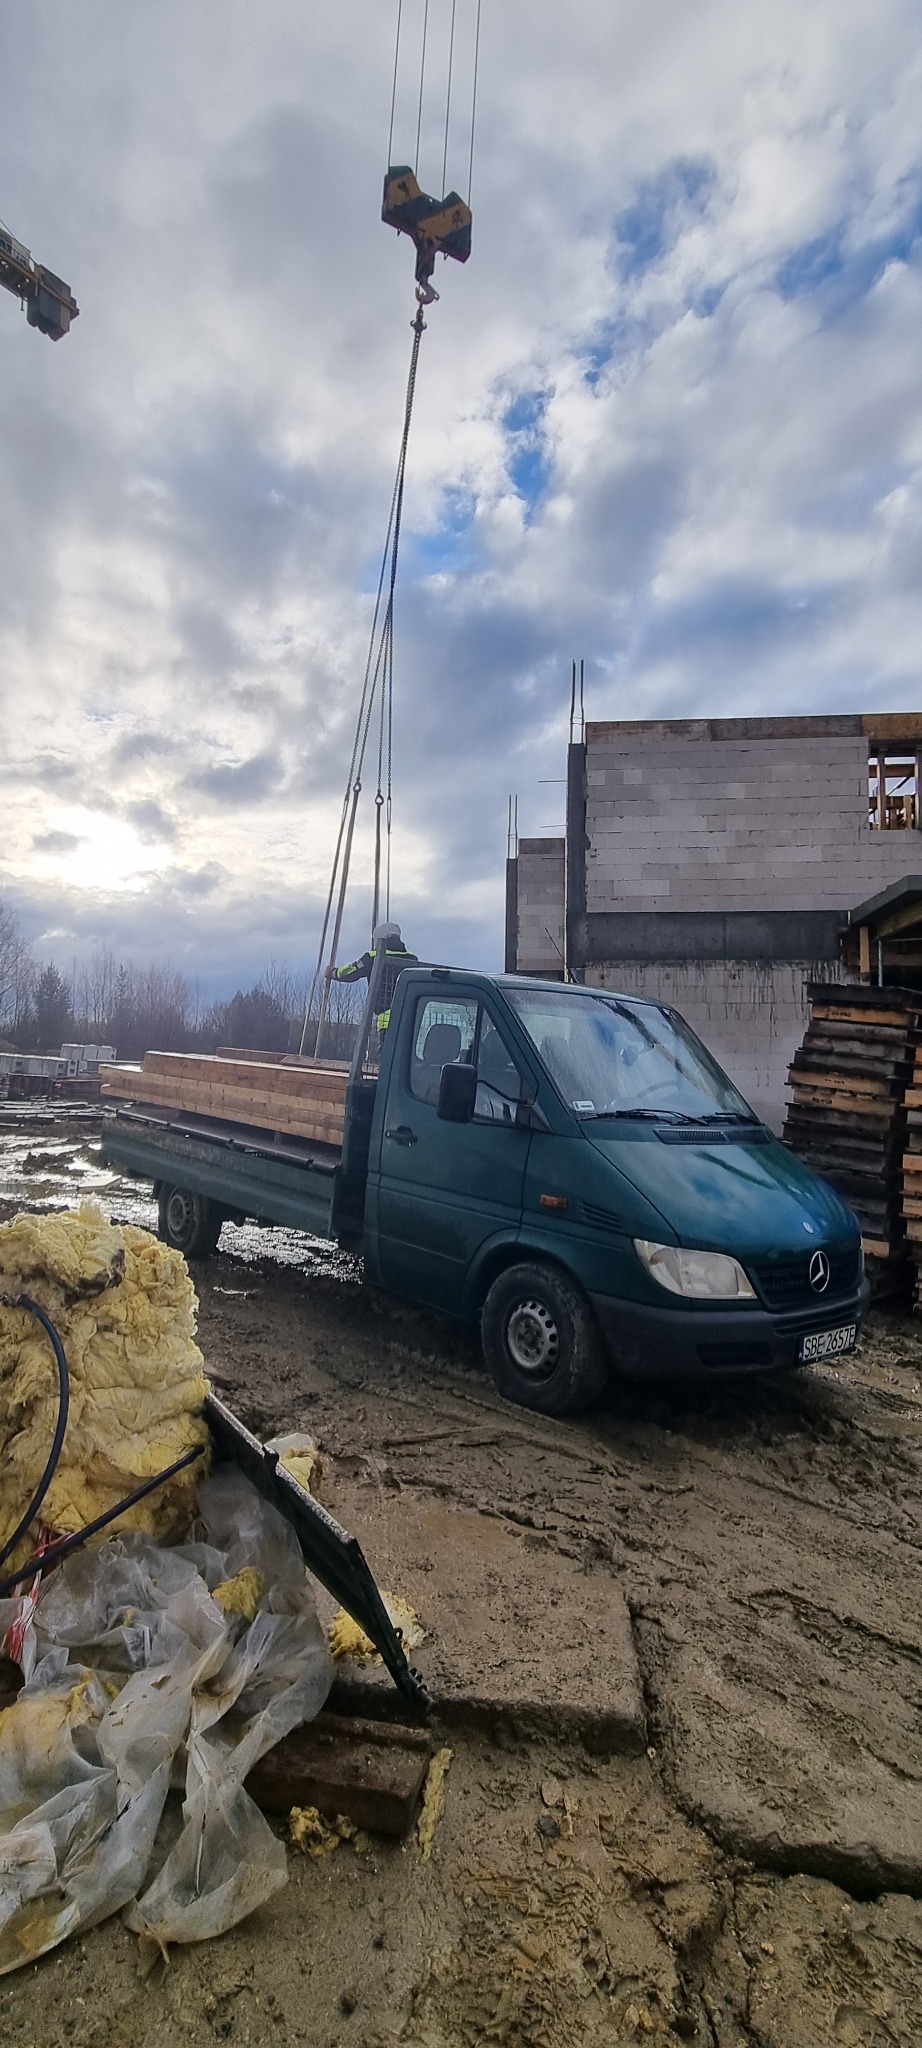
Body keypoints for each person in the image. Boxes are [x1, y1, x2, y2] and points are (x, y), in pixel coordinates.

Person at [324, 923, 416, 1035]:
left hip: (387, 1022)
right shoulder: (412, 959)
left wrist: (334, 973)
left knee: (386, 1051)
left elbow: (351, 971)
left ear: (378, 939)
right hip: (410, 1020)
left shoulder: (373, 957)